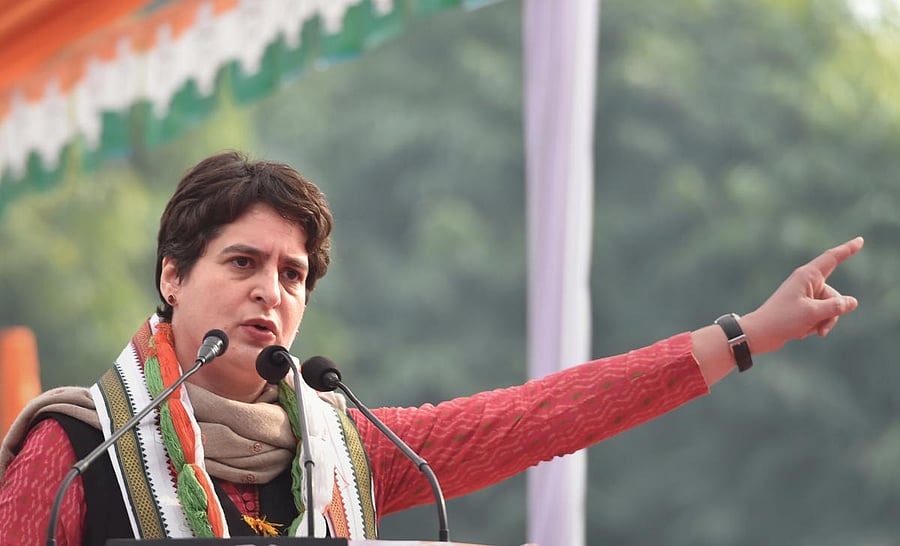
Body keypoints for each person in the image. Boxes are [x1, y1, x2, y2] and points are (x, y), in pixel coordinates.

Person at [0, 151, 863, 544]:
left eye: (295, 275)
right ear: (173, 277)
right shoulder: (78, 448)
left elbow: (543, 417)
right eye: (243, 262)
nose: (273, 290)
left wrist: (747, 334)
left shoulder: (350, 449)